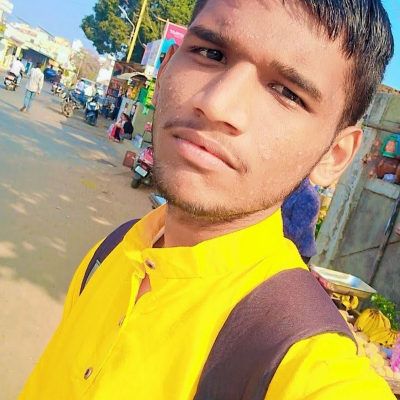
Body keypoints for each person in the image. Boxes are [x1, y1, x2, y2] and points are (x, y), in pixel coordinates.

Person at [18, 1, 395, 399]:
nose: (216, 105)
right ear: (166, 67)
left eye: (286, 92)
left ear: (334, 155)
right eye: (210, 54)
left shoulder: (302, 359)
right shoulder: (112, 251)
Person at [282, 178, 320, 264]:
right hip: (283, 247)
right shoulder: (289, 187)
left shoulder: (309, 196)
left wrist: (276, 212)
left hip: (299, 253)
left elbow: (294, 233)